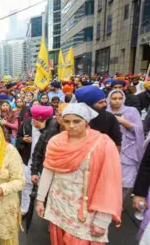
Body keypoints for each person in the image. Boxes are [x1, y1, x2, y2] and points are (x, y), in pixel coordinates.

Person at [36, 103, 122, 244]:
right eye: (67, 121)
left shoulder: (103, 144)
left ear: (86, 121)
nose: (71, 126)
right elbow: (48, 170)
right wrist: (40, 199)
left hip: (87, 211)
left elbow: (109, 183)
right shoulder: (56, 142)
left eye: (77, 121)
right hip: (59, 206)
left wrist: (102, 220)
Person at [107, 89, 145, 196]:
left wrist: (124, 122)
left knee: (125, 182)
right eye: (114, 99)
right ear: (108, 99)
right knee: (109, 180)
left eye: (120, 98)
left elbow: (139, 130)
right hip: (109, 149)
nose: (117, 101)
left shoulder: (131, 111)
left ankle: (119, 203)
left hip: (128, 151)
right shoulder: (105, 112)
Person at [20, 105, 55, 215]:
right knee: (26, 187)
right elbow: (18, 138)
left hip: (45, 164)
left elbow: (52, 142)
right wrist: (22, 140)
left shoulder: (53, 126)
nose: (37, 121)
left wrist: (42, 128)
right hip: (28, 161)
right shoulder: (26, 123)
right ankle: (24, 209)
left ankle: (47, 213)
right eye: (36, 118)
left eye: (41, 119)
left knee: (46, 190)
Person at [30, 103, 68, 184]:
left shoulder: (78, 134)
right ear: (56, 116)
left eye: (66, 115)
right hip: (48, 170)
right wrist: (34, 172)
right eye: (60, 115)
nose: (63, 118)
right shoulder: (49, 132)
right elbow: (38, 153)